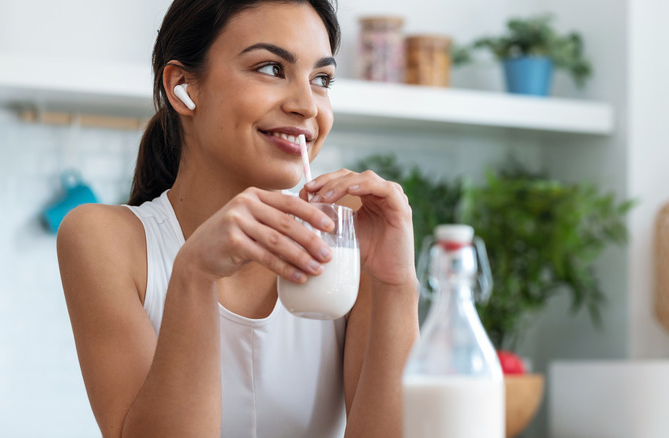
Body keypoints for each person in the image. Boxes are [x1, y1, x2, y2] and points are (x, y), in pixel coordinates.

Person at [57, 0, 419, 436]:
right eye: (270, 68)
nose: (307, 105)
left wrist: (395, 285)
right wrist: (193, 273)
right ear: (183, 88)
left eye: (321, 79)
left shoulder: (346, 234)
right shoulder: (104, 240)